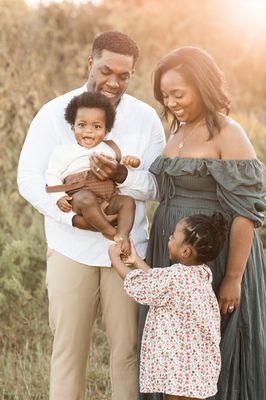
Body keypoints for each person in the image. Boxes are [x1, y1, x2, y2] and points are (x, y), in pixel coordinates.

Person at [17, 31, 165, 400]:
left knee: (128, 351)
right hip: (70, 249)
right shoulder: (53, 114)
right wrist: (71, 218)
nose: (114, 82)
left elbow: (160, 186)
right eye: (106, 70)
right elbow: (29, 179)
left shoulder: (145, 119)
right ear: (90, 62)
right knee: (68, 352)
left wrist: (122, 177)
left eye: (124, 75)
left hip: (129, 250)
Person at [138, 46, 266, 400]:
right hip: (173, 255)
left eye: (178, 93)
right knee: (173, 345)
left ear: (203, 86)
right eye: (165, 95)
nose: (172, 102)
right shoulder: (178, 131)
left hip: (215, 258)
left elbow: (245, 211)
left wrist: (234, 277)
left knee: (209, 346)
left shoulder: (228, 132)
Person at [109, 212, 227, 400]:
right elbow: (160, 283)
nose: (169, 239)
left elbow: (143, 285)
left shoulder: (176, 277)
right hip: (197, 365)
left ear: (186, 252)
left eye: (173, 237)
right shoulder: (202, 273)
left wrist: (115, 259)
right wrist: (136, 261)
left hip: (179, 366)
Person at [46, 91, 141, 254]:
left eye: (96, 127)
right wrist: (59, 197)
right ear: (72, 127)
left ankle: (124, 234)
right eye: (82, 125)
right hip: (79, 197)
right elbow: (52, 176)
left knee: (128, 202)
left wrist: (132, 161)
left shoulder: (110, 147)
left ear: (106, 131)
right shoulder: (64, 151)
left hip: (107, 197)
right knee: (85, 197)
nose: (88, 132)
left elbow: (123, 161)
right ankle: (110, 232)